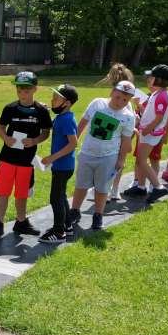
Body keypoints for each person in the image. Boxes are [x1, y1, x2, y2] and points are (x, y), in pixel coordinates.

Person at [0, 71, 52, 240]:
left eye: (27, 90)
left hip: (27, 161)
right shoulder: (10, 108)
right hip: (7, 158)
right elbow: (1, 128)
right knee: (3, 191)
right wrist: (6, 138)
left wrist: (34, 140)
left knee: (22, 193)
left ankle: (21, 222)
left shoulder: (41, 111)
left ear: (35, 89)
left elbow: (46, 132)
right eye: (19, 90)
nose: (23, 94)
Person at [67, 81, 137, 231]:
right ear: (112, 92)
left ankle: (98, 215)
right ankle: (74, 211)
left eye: (125, 100)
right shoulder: (97, 104)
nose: (120, 102)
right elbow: (82, 123)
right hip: (87, 153)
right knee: (81, 184)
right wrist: (73, 141)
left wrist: (121, 159)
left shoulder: (128, 117)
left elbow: (125, 141)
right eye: (118, 97)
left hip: (108, 157)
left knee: (102, 188)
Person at [125, 65, 168, 204]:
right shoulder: (156, 93)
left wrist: (147, 129)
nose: (149, 79)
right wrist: (140, 106)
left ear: (159, 79)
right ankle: (140, 186)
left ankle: (158, 187)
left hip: (150, 133)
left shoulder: (162, 96)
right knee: (140, 161)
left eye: (152, 77)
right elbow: (149, 112)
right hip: (147, 132)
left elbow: (158, 117)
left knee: (141, 160)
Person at [38, 84, 79, 244]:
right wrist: (45, 111)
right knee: (61, 196)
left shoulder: (67, 119)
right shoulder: (62, 117)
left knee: (55, 198)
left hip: (63, 166)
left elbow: (73, 144)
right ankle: (67, 225)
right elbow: (53, 125)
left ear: (67, 103)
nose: (52, 100)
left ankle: (59, 232)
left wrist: (52, 157)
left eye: (56, 98)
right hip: (63, 166)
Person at [100, 63, 143, 201]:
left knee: (111, 163)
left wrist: (134, 124)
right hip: (120, 137)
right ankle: (113, 190)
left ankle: (107, 190)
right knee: (118, 163)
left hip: (113, 136)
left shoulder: (115, 98)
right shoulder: (126, 101)